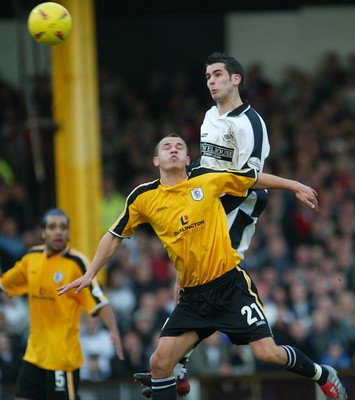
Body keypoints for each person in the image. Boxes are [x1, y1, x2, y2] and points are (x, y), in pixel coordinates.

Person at [58, 134, 347, 400]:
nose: (173, 149)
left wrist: (295, 185)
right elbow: (114, 235)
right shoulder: (143, 198)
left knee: (268, 354)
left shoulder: (206, 179)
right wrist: (90, 272)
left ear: (187, 160)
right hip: (194, 297)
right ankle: (178, 372)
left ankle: (322, 374)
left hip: (230, 286)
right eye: (166, 147)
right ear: (156, 160)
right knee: (158, 362)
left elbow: (252, 178)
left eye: (179, 147)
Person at [135, 50, 271, 397]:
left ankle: (178, 362)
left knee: (213, 278)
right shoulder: (209, 117)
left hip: (238, 204)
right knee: (187, 277)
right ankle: (175, 362)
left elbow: (249, 178)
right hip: (206, 203)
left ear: (235, 79)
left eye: (217, 75)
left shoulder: (251, 122)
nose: (210, 81)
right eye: (208, 76)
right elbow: (206, 167)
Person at [0, 208, 124, 400]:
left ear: (68, 233)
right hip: (34, 355)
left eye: (63, 227)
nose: (58, 231)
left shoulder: (76, 263)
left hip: (62, 359)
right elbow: (5, 284)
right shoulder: (31, 258)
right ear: (43, 233)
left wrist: (114, 331)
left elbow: (99, 301)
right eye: (52, 227)